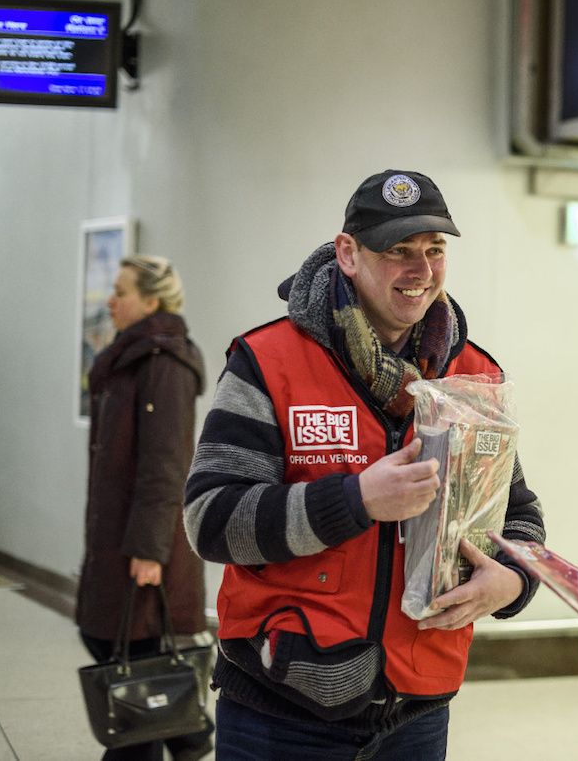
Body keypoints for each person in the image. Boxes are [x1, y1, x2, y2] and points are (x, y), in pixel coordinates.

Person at [183, 169, 546, 760]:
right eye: (397, 251)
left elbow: (519, 513)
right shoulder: (268, 360)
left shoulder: (472, 377)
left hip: (418, 713)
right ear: (347, 253)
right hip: (280, 711)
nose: (421, 271)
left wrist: (512, 582)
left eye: (434, 251)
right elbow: (211, 520)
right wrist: (355, 501)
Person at [76, 255, 211, 761]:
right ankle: (191, 733)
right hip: (120, 535)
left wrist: (151, 551)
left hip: (147, 545)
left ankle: (187, 734)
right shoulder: (129, 358)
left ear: (151, 301)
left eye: (121, 291)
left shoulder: (164, 365)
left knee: (135, 667)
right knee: (112, 642)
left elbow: (165, 467)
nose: (110, 299)